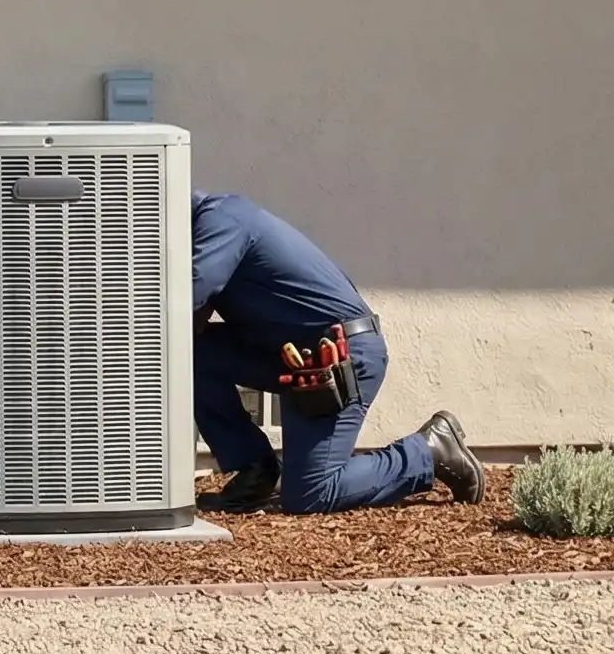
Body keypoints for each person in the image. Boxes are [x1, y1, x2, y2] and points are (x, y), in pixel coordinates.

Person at [192, 190, 484, 514]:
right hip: (291, 353)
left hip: (337, 356)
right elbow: (188, 327)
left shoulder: (221, 221)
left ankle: (428, 452)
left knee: (311, 494)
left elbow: (182, 306)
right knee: (193, 354)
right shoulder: (214, 223)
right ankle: (256, 471)